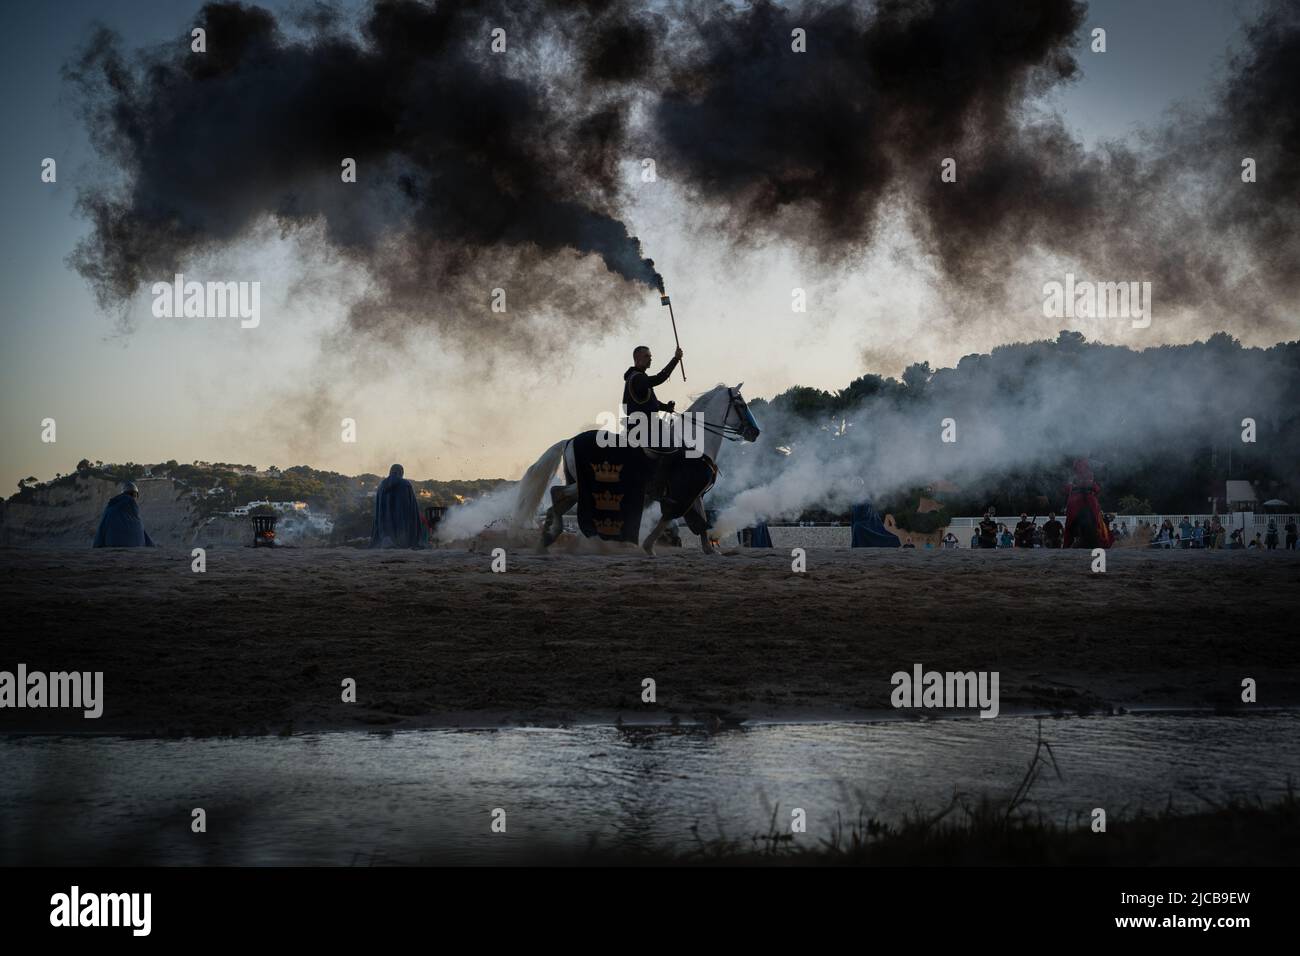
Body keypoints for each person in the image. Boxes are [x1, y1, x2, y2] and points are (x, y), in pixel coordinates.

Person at [370, 463, 424, 548]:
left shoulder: (381, 485)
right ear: (401, 472)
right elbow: (411, 507)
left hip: (385, 527)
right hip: (402, 525)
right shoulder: (405, 484)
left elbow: (378, 510)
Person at [92, 481, 156, 547]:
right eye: (135, 495)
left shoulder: (111, 508)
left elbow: (101, 533)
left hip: (113, 547)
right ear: (135, 495)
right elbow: (145, 536)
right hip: (136, 547)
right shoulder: (135, 512)